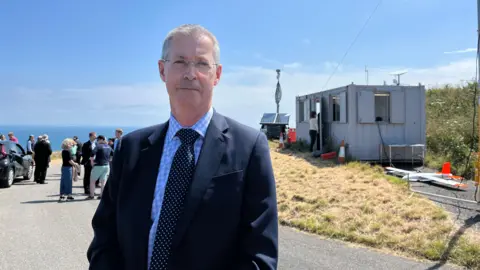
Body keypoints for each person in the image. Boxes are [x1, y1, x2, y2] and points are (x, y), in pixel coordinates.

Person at [87, 24, 278, 270]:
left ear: (217, 74)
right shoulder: (130, 149)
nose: (190, 73)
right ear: (162, 70)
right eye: (179, 62)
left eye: (201, 63)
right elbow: (105, 236)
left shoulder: (249, 148)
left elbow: (259, 255)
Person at [87, 135, 111, 200]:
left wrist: (92, 162)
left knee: (92, 181)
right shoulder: (108, 147)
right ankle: (101, 195)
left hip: (98, 165)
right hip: (106, 165)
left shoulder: (98, 146)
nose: (97, 141)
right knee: (103, 181)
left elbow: (92, 154)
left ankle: (91, 195)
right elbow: (113, 154)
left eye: (98, 140)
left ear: (101, 139)